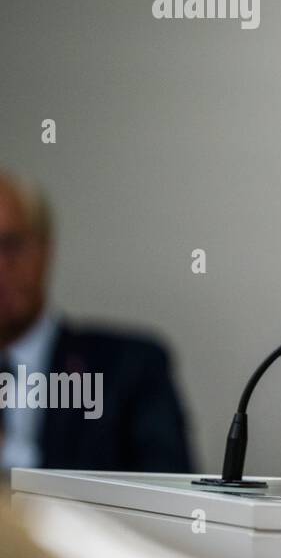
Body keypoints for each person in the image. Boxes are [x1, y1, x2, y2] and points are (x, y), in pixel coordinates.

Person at [0, 171, 193, 474]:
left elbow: (169, 495)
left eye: (10, 246)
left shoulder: (130, 368)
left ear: (45, 252)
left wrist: (15, 456)